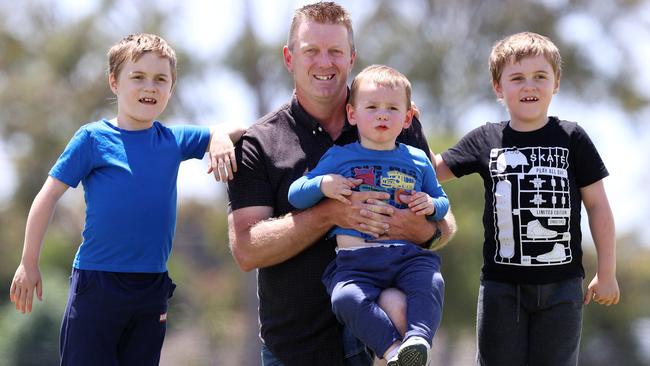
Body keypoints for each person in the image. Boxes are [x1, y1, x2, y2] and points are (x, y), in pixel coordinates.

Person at [227, 2, 455, 366]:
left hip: (384, 350)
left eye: (335, 51)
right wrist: (330, 213)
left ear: (352, 58)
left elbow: (444, 224)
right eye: (311, 51)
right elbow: (247, 250)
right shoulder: (260, 142)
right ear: (289, 58)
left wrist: (416, 226)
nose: (324, 62)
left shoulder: (395, 122)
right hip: (294, 349)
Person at [8, 33, 244, 365]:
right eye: (138, 77)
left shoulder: (172, 140)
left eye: (161, 79)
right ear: (114, 82)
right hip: (96, 285)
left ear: (171, 89)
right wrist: (28, 262)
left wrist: (218, 136)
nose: (150, 87)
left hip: (151, 289)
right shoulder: (92, 139)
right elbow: (47, 197)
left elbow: (237, 127)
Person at [434, 32, 620, 365]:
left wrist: (606, 273)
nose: (529, 86)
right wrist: (402, 125)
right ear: (498, 88)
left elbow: (598, 206)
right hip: (500, 289)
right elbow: (434, 168)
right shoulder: (486, 139)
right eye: (517, 78)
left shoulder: (572, 138)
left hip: (562, 288)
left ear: (556, 83)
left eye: (539, 77)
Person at [288, 65, 447, 366]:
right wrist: (324, 184)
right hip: (355, 263)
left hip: (406, 257)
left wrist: (430, 203)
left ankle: (418, 339)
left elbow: (442, 202)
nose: (382, 115)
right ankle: (393, 352)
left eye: (392, 108)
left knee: (432, 282)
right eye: (371, 107)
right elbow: (296, 194)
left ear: (408, 117)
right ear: (352, 114)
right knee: (344, 299)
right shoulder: (340, 156)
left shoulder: (417, 160)